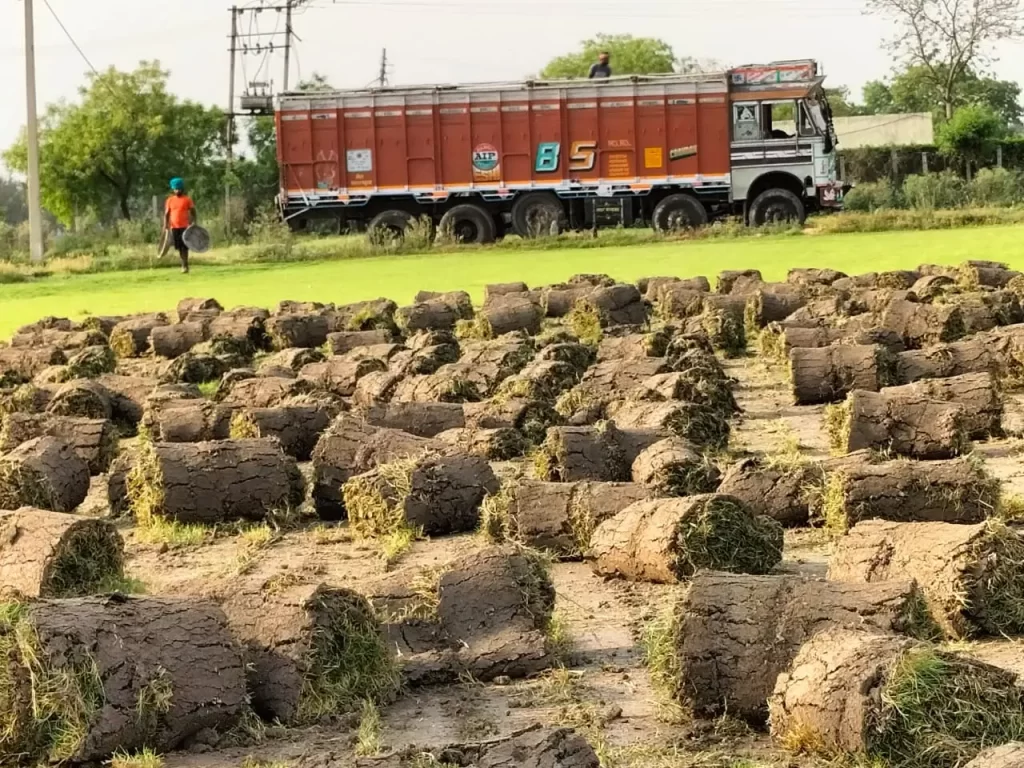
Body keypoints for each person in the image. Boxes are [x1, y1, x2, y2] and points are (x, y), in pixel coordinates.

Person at [164, 177, 196, 274]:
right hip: (174, 227)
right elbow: (167, 214)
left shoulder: (187, 200)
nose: (177, 190)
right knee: (179, 247)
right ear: (173, 189)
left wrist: (194, 222)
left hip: (185, 227)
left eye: (179, 189)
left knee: (184, 247)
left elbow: (193, 211)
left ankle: (184, 265)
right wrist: (166, 225)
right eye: (175, 189)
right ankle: (184, 264)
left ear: (182, 189)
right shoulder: (170, 200)